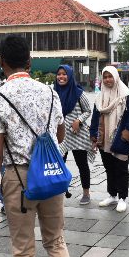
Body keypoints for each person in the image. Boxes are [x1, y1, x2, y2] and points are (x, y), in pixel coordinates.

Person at [0, 35, 89, 257]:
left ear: (0, 62)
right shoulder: (50, 93)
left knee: (23, 248)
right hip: (51, 174)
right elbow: (58, 136)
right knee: (56, 241)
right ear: (29, 62)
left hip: (18, 178)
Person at [90, 66, 129, 213]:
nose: (107, 80)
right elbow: (95, 117)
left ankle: (123, 197)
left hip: (120, 139)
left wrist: (125, 135)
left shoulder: (126, 96)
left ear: (116, 77)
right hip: (104, 138)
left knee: (121, 169)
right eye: (105, 77)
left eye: (110, 76)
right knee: (109, 168)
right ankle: (112, 195)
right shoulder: (100, 97)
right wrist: (93, 134)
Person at [54, 65, 93, 205]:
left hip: (78, 134)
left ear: (69, 76)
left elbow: (88, 110)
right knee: (58, 165)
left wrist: (79, 120)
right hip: (60, 134)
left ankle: (86, 193)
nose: (61, 77)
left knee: (82, 164)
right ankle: (58, 192)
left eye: (64, 74)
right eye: (59, 74)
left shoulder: (78, 93)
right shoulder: (54, 93)